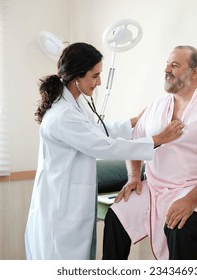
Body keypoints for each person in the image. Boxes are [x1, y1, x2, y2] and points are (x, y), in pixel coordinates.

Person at [24, 42, 184, 260]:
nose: (99, 82)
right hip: (59, 213)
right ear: (76, 77)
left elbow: (97, 131)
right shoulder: (63, 115)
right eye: (94, 76)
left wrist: (134, 122)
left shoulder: (75, 106)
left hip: (71, 205)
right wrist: (157, 139)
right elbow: (103, 146)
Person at [102, 45, 197, 260]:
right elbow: (135, 142)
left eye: (175, 65)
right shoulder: (157, 105)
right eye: (167, 64)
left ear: (194, 72)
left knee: (180, 225)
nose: (167, 69)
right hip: (157, 185)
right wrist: (134, 177)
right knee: (117, 215)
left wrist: (190, 201)